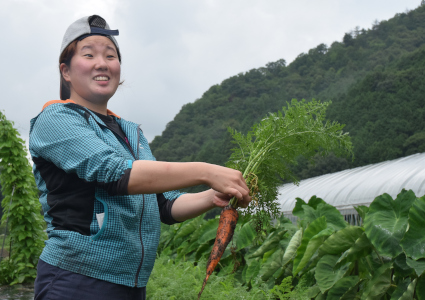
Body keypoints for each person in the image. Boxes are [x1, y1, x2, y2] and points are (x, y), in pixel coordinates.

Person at [29, 15, 251, 300]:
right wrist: (206, 170)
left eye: (111, 56)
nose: (102, 63)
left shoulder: (130, 133)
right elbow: (115, 172)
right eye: (89, 54)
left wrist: (213, 195)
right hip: (77, 280)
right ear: (66, 71)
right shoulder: (56, 118)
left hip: (131, 287)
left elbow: (166, 204)